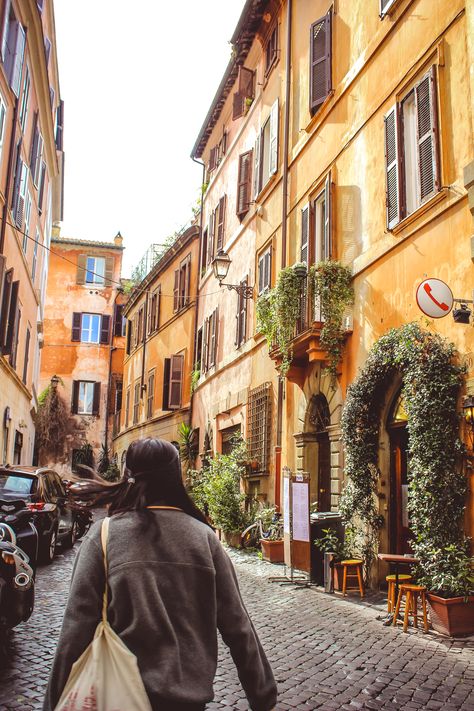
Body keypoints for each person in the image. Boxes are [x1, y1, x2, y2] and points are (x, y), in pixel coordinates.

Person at [43, 437, 277, 711]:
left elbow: (75, 630)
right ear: (174, 478)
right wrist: (262, 695)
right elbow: (238, 626)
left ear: (128, 475)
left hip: (119, 696)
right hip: (187, 702)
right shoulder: (205, 539)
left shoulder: (104, 536)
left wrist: (53, 701)